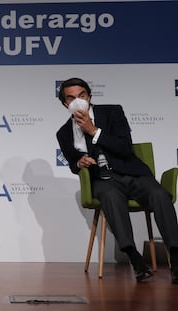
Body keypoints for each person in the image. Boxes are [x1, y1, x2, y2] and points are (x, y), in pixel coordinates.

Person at [56, 77, 178, 283]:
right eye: (72, 98)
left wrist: (93, 130)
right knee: (110, 197)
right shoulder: (63, 132)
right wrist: (80, 162)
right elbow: (71, 162)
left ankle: (176, 257)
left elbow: (124, 147)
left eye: (82, 95)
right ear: (65, 104)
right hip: (104, 180)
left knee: (159, 194)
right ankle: (135, 259)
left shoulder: (112, 112)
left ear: (89, 96)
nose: (78, 101)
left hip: (134, 174)